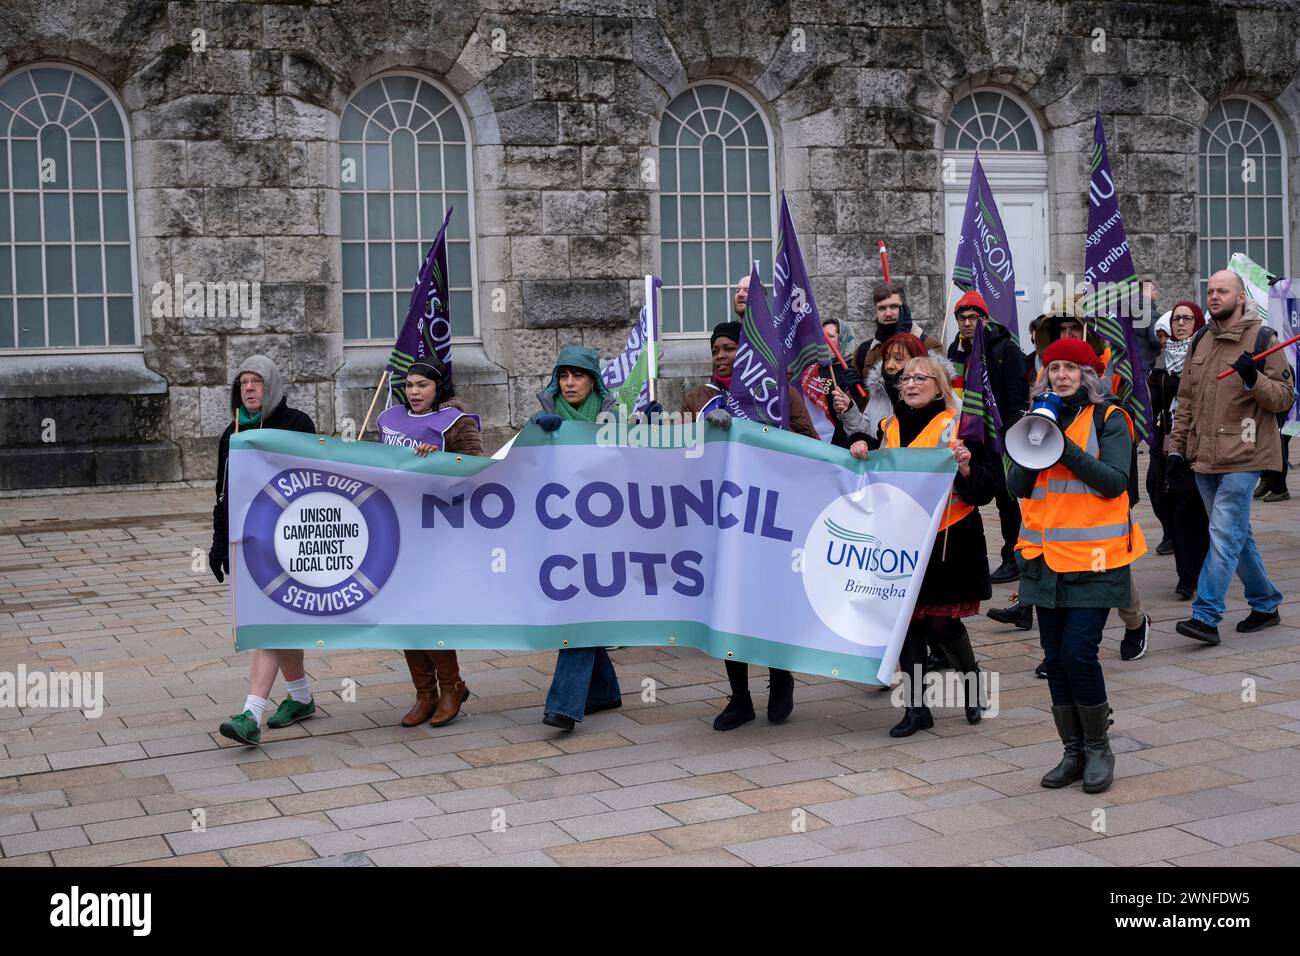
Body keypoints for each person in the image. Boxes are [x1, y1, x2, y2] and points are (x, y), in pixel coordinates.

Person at [1009, 338, 1147, 794]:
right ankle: (1071, 751)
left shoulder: (1111, 419)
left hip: (1095, 560)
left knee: (1078, 653)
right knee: (1054, 658)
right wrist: (1033, 438)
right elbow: (1017, 487)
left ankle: (1099, 747)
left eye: (1070, 367)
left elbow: (1114, 483)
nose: (1061, 375)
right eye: (1053, 368)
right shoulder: (1037, 419)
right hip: (1044, 560)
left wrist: (1061, 446)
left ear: (1088, 376)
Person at [682, 319, 820, 731]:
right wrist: (705, 430)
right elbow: (682, 454)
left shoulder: (779, 391)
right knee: (729, 607)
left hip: (771, 516)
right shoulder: (697, 398)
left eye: (730, 348)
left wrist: (762, 431)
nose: (722, 355)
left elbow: (810, 442)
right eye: (716, 349)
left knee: (769, 602)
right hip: (721, 520)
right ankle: (739, 697)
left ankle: (780, 678)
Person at [848, 356, 997, 736]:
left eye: (921, 378)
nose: (911, 384)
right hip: (901, 541)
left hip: (950, 538)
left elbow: (984, 489)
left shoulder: (958, 424)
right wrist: (862, 446)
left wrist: (964, 466)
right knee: (906, 627)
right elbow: (871, 469)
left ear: (940, 384)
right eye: (905, 379)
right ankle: (916, 709)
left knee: (941, 624)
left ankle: (972, 680)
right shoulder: (889, 425)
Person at [1168, 271, 1293, 645]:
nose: (1214, 296)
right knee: (1238, 536)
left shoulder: (1264, 340)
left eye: (1222, 291)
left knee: (1222, 534)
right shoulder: (1201, 339)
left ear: (1240, 297)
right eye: (1210, 291)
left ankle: (1205, 616)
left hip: (1245, 455)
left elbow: (1286, 398)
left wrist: (1254, 379)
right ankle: (1266, 603)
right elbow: (1186, 399)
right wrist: (1176, 449)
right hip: (1203, 456)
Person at [210, 355, 317, 746]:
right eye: (243, 383)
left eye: (257, 381)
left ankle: (251, 713)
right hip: (249, 543)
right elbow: (223, 494)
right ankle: (301, 698)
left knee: (271, 620)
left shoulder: (297, 424)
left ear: (271, 386)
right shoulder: (231, 432)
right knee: (278, 620)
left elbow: (314, 480)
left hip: (290, 540)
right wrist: (219, 543)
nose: (250, 388)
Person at [377, 351, 483, 727]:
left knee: (429, 610)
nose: (414, 391)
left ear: (439, 387)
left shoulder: (456, 422)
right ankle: (425, 693)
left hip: (437, 530)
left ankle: (452, 686)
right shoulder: (388, 419)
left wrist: (436, 459)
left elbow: (476, 470)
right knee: (404, 612)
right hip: (394, 527)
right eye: (408, 385)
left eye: (422, 385)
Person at [530, 345, 625, 731]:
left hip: (604, 533)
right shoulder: (544, 418)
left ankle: (565, 706)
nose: (570, 383)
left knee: (578, 611)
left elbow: (637, 467)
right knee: (581, 608)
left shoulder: (614, 417)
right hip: (560, 534)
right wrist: (536, 434)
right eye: (564, 375)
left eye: (578, 375)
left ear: (593, 380)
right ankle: (604, 691)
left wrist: (649, 430)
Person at [947, 291, 1028, 585]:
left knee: (1006, 500)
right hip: (969, 436)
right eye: (962, 318)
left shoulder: (1004, 348)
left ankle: (1014, 556)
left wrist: (1011, 433)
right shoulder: (954, 352)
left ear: (984, 318)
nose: (967, 323)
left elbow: (1016, 395)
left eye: (973, 317)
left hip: (999, 435)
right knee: (973, 494)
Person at [1148, 302, 1210, 599]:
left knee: (1189, 507)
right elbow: (1154, 399)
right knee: (1158, 494)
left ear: (1197, 323)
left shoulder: (1205, 355)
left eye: (1187, 318)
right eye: (1176, 319)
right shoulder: (1163, 359)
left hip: (1196, 442)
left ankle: (1189, 575)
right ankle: (1180, 549)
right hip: (1165, 440)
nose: (1180, 323)